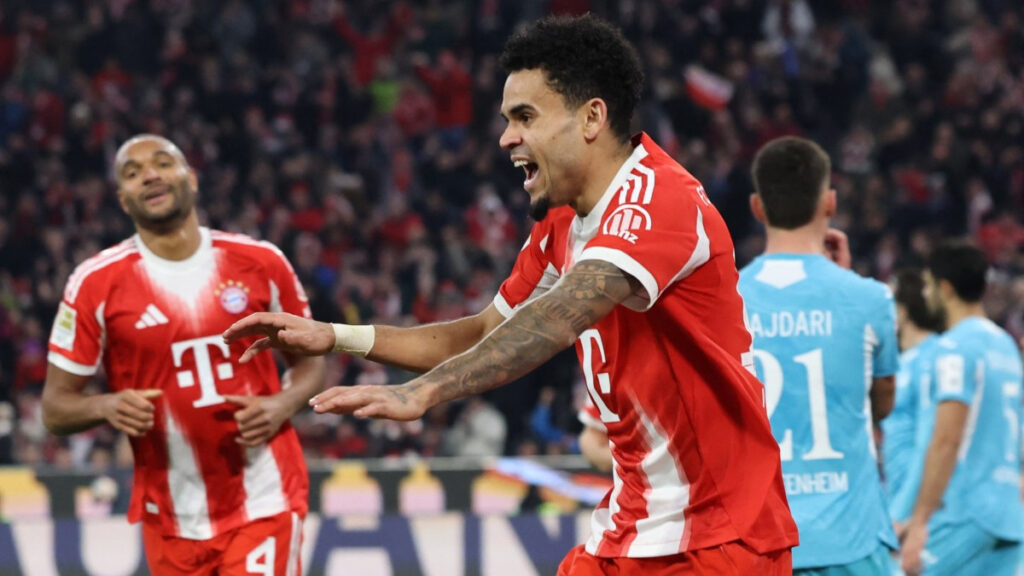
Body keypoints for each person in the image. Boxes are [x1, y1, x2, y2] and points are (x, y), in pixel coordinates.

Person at [224, 14, 798, 576]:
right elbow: (480, 332)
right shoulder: (561, 224)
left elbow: (558, 316)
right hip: (630, 530)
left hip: (718, 538)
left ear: (592, 117)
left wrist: (424, 392)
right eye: (506, 118)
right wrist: (336, 337)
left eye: (525, 116)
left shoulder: (659, 201)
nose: (506, 137)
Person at [42, 134, 325, 576]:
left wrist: (282, 404)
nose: (149, 175)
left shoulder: (261, 262)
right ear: (122, 200)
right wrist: (106, 405)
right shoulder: (94, 284)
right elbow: (55, 409)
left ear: (191, 179)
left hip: (263, 494)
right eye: (132, 173)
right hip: (169, 516)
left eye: (161, 163)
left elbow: (311, 364)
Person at [737, 136, 899, 575]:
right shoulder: (871, 300)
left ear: (757, 208)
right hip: (852, 542)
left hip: (759, 547)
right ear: (829, 202)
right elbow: (881, 405)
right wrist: (841, 284)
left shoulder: (722, 302)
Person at [899, 242, 1022, 576]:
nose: (925, 294)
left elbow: (945, 439)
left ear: (946, 288)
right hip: (1009, 516)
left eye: (928, 286)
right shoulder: (1007, 346)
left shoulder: (954, 349)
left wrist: (919, 521)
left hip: (966, 511)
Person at [881, 269, 942, 531]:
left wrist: (902, 512)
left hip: (923, 508)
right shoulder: (901, 362)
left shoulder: (936, 356)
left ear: (902, 311)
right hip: (896, 492)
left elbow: (928, 441)